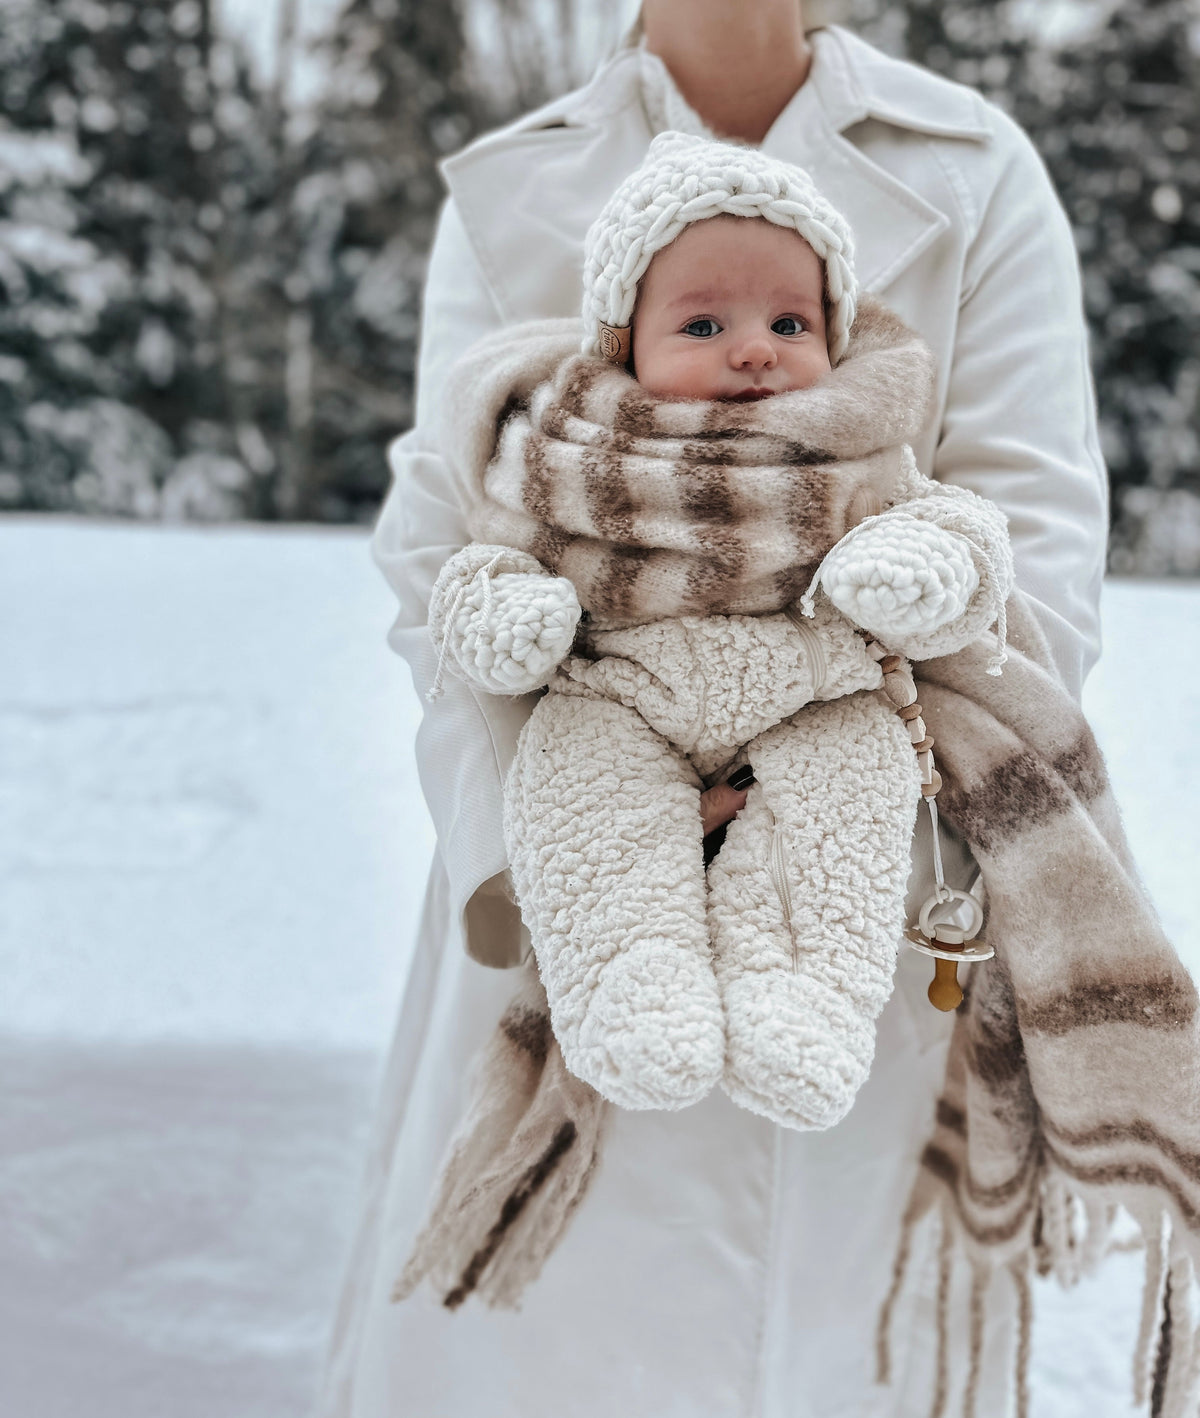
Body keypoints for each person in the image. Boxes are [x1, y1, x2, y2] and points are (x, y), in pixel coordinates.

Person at [316, 7, 1108, 1416]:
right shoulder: (511, 184)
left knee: (836, 1355)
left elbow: (1031, 544)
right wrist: (576, 794)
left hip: (866, 880)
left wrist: (830, 771)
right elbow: (444, 551)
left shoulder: (974, 164)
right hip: (581, 871)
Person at [423, 132, 1012, 1133]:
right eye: (703, 322)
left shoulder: (860, 454)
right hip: (624, 694)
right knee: (586, 796)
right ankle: (631, 988)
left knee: (845, 799)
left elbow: (962, 531)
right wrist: (502, 612)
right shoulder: (572, 459)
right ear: (624, 345)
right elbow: (488, 558)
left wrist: (922, 570)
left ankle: (807, 1002)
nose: (754, 347)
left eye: (789, 318)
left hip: (817, 694)